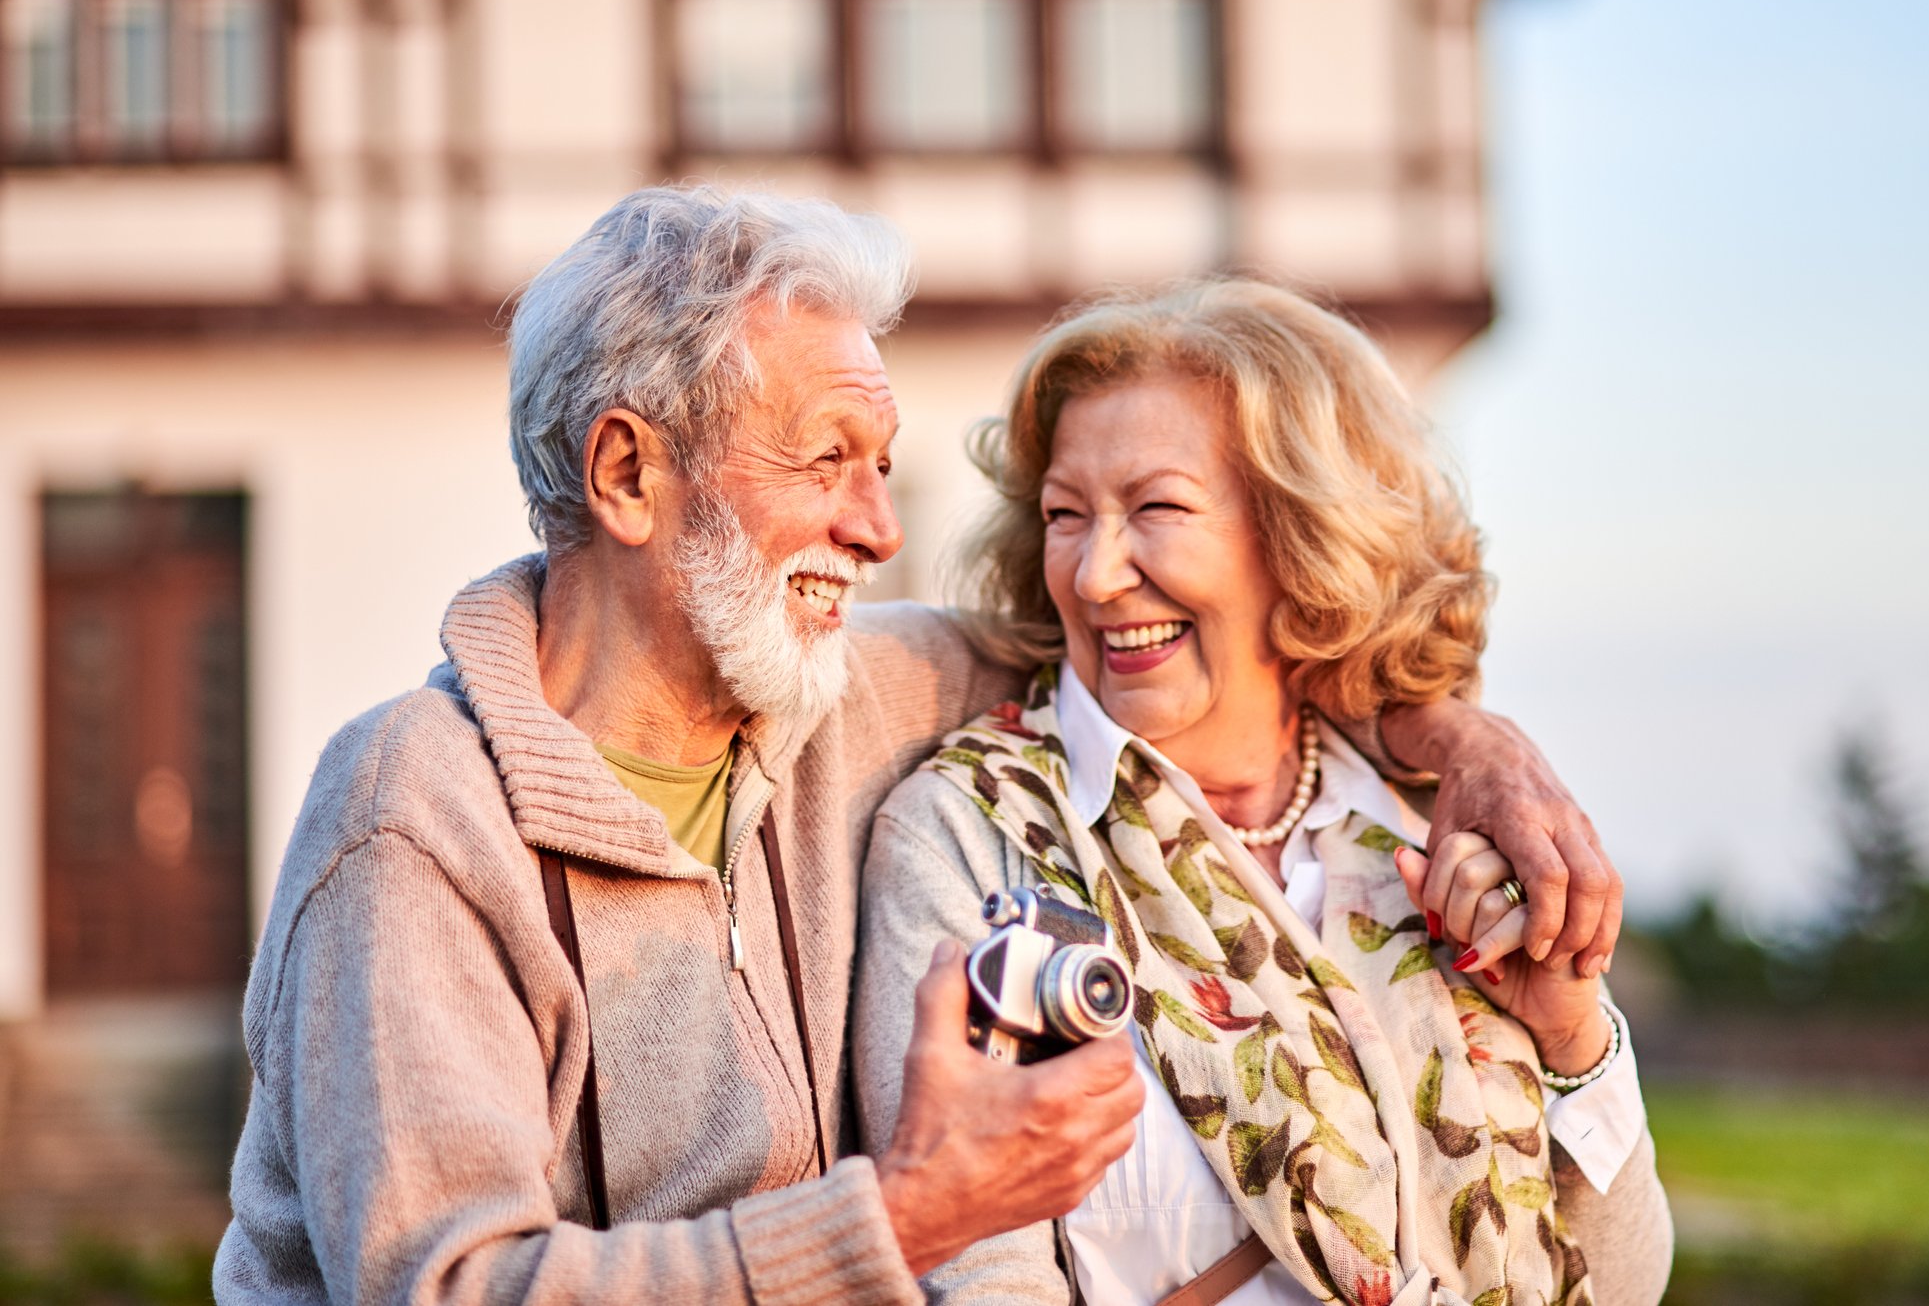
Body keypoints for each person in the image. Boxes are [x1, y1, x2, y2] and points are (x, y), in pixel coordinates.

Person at [214, 187, 1625, 1304]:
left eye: (880, 470)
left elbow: (1206, 641)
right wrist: (906, 1216)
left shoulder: (843, 683)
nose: (879, 530)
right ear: (628, 474)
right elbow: (450, 1286)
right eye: (824, 460)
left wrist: (1462, 737)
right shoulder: (411, 814)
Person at [855, 280, 1672, 1306]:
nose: (1097, 573)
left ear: (1298, 538)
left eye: (1156, 507)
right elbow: (974, 1272)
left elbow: (1623, 1283)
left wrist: (1570, 1039)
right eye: (1067, 515)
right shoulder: (977, 838)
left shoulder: (1431, 817)